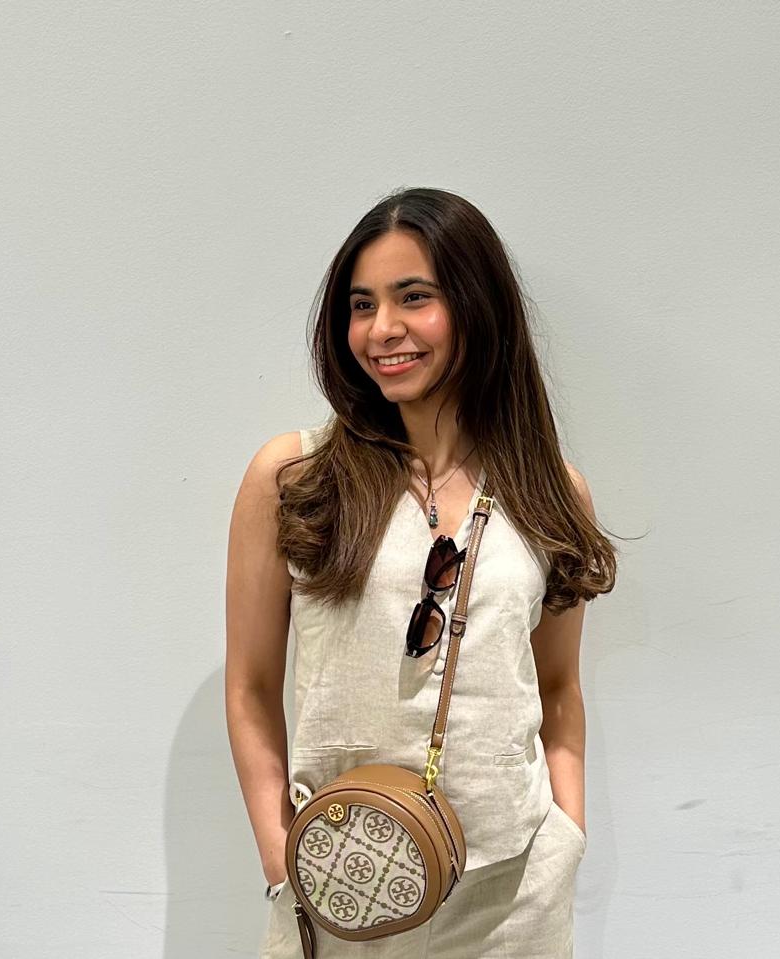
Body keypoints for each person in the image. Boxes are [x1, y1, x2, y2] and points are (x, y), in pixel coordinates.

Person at [225, 187, 618, 957]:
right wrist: (281, 863)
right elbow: (250, 685)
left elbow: (558, 685)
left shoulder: (549, 491)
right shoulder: (297, 477)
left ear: (477, 307)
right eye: (362, 304)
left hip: (513, 899)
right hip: (345, 891)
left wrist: (566, 836)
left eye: (414, 297)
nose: (382, 329)